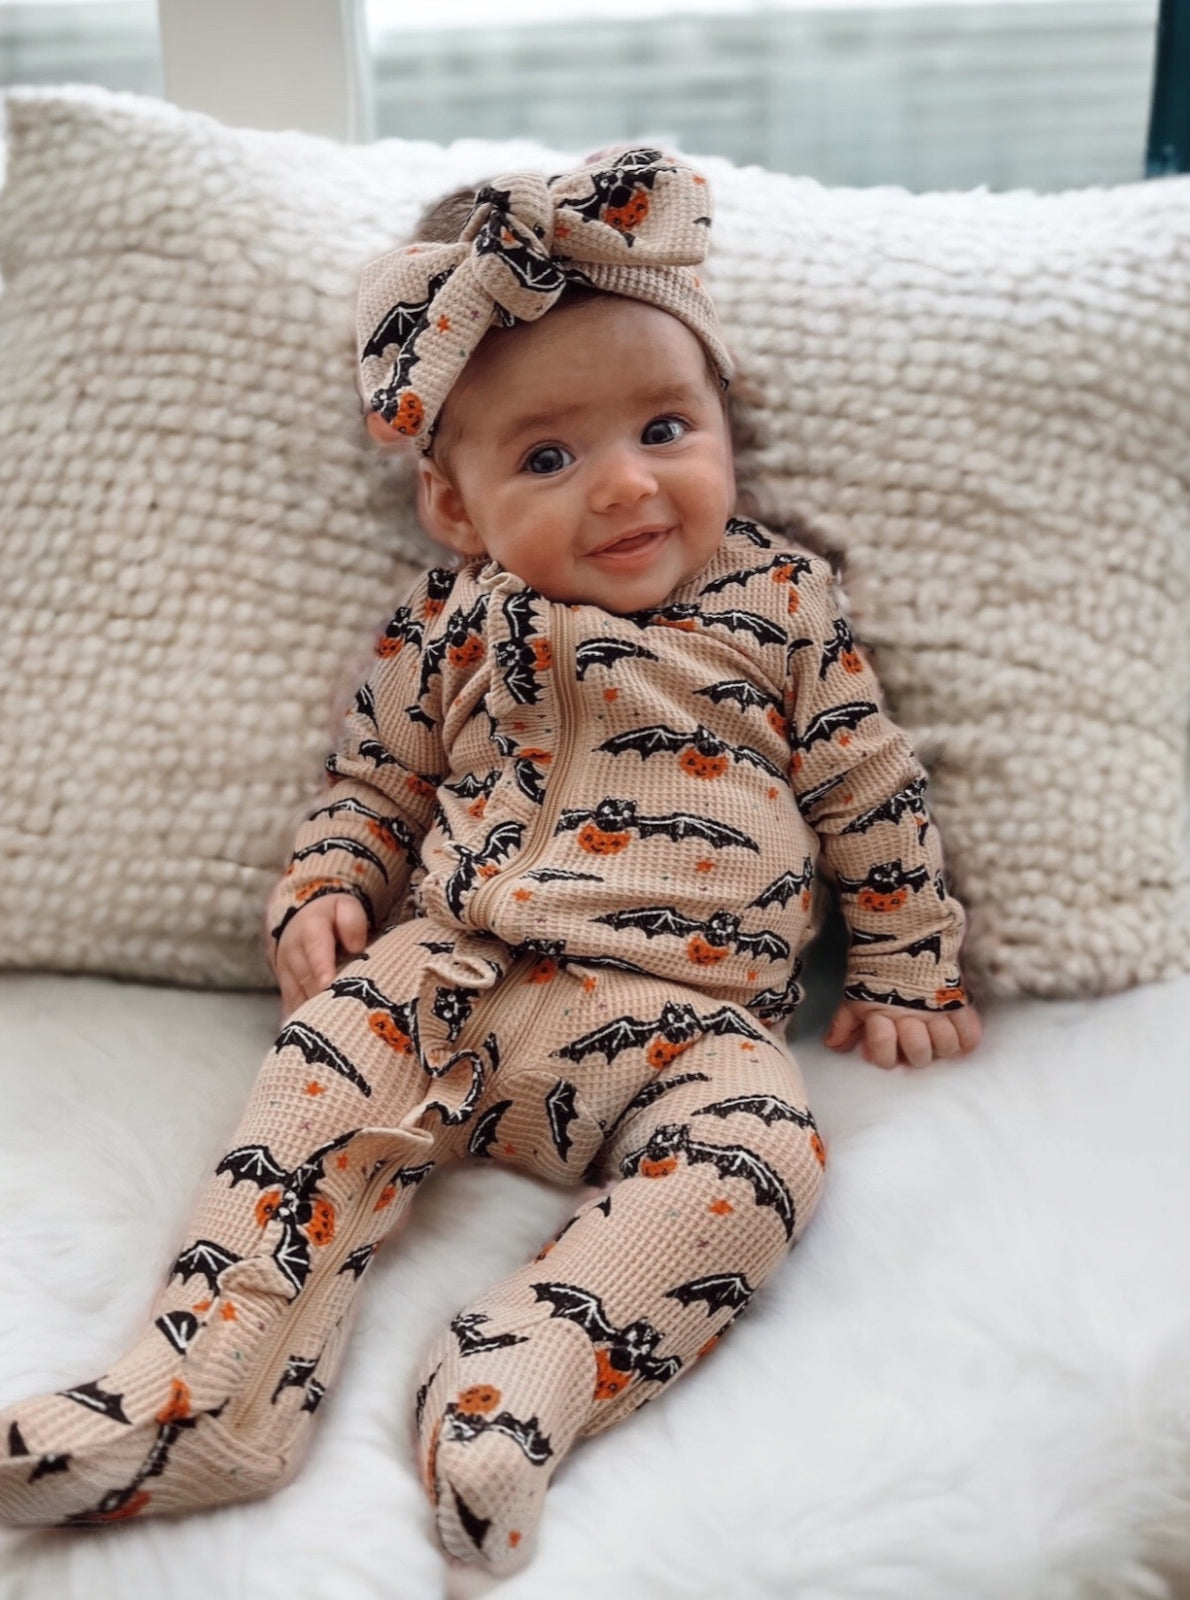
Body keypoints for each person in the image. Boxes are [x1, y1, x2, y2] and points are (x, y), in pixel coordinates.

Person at [0, 147, 981, 1574]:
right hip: (459, 971)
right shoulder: (450, 624)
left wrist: (904, 962)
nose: (626, 490)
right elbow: (372, 785)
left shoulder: (778, 600)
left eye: (664, 426)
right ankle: (208, 1390)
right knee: (320, 1069)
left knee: (760, 1153)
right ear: (455, 510)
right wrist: (327, 885)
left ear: (724, 423)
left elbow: (864, 782)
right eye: (547, 457)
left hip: (683, 1026)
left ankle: (520, 1376)